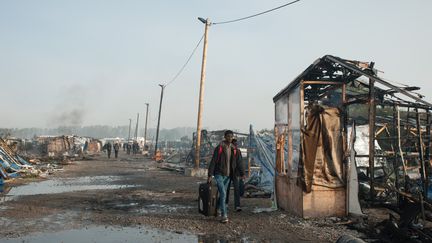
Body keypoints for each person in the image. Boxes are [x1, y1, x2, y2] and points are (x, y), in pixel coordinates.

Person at [208, 130, 235, 224]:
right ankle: (224, 215)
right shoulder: (219, 147)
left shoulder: (232, 148)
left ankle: (218, 209)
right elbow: (213, 161)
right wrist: (210, 175)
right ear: (225, 137)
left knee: (223, 194)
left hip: (228, 176)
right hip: (219, 174)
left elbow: (234, 163)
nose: (230, 138)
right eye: (228, 136)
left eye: (231, 137)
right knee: (223, 193)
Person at [226, 138, 246, 212]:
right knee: (235, 190)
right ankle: (237, 206)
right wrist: (243, 173)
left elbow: (240, 163)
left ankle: (226, 204)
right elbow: (240, 163)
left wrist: (242, 173)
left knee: (226, 189)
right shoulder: (236, 151)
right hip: (232, 173)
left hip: (230, 173)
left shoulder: (233, 151)